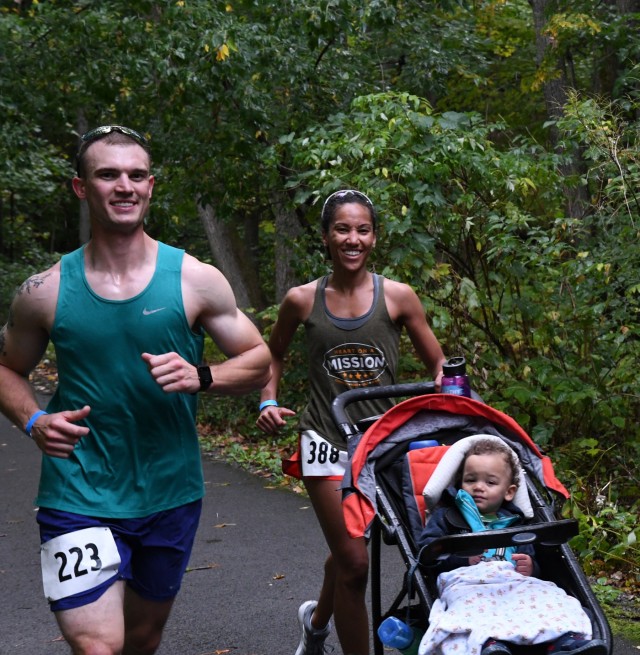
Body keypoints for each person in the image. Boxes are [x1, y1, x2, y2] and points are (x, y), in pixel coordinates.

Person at [0, 125, 271, 655]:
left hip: (170, 490)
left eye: (136, 174)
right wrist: (34, 421)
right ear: (82, 187)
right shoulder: (44, 290)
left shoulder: (196, 279)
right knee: (101, 646)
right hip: (77, 488)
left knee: (142, 640)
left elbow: (259, 360)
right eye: (107, 174)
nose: (124, 185)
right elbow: (7, 370)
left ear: (150, 186)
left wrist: (203, 376)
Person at [256, 189, 446, 655]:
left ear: (375, 238)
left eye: (362, 229)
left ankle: (316, 625)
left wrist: (447, 402)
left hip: (384, 444)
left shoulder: (398, 297)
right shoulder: (302, 301)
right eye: (342, 229)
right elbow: (272, 355)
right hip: (324, 439)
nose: (352, 238)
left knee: (349, 555)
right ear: (326, 237)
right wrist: (267, 399)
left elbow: (439, 367)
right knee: (356, 562)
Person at [417, 438, 607, 655]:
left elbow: (530, 557)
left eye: (490, 482)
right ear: (461, 483)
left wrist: (530, 567)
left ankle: (565, 640)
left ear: (509, 492)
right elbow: (426, 552)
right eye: (471, 480)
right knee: (470, 608)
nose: (479, 487)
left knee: (551, 597)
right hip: (468, 584)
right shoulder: (447, 517)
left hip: (514, 583)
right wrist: (462, 559)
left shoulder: (516, 522)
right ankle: (491, 644)